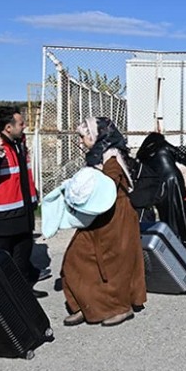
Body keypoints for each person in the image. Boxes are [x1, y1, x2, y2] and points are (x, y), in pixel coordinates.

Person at [62, 117, 147, 327]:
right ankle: (85, 304)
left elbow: (109, 185)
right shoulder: (97, 156)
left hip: (116, 216)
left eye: (83, 136)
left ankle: (120, 308)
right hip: (97, 214)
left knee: (114, 265)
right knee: (75, 257)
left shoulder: (111, 157)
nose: (80, 141)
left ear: (96, 136)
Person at [0, 106, 45, 297]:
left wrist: (32, 197)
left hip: (22, 209)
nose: (25, 126)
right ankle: (1, 296)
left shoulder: (18, 141)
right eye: (21, 123)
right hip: (0, 214)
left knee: (23, 251)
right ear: (8, 127)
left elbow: (21, 174)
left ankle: (23, 292)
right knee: (3, 256)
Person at [136, 132, 186, 245]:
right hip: (174, 180)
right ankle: (180, 236)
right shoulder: (164, 145)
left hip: (158, 182)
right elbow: (182, 156)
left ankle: (169, 235)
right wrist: (180, 166)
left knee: (164, 210)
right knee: (178, 209)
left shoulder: (144, 152)